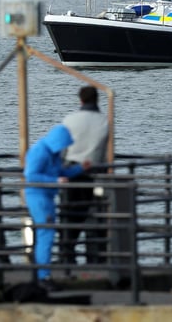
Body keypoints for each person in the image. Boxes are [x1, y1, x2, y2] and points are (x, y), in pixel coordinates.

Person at [24, 125, 89, 291]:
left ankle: (42, 274)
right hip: (38, 197)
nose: (65, 148)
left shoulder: (52, 154)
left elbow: (62, 173)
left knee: (46, 234)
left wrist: (80, 168)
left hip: (46, 196)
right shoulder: (40, 151)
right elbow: (31, 175)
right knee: (46, 234)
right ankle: (43, 276)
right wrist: (55, 181)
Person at [60, 86, 109, 267]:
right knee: (93, 217)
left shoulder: (70, 119)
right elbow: (104, 151)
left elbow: (63, 149)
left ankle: (67, 257)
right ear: (97, 100)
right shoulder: (104, 121)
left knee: (68, 216)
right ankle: (95, 259)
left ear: (80, 100)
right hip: (94, 174)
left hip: (71, 172)